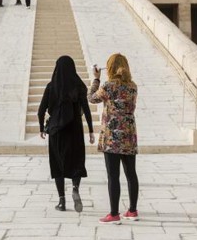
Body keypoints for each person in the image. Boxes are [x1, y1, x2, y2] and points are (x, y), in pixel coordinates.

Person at [39, 56, 95, 213]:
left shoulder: (51, 87)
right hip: (75, 130)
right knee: (76, 162)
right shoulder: (78, 86)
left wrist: (41, 128)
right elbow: (87, 109)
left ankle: (62, 201)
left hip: (56, 132)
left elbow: (41, 110)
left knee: (58, 165)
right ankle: (75, 188)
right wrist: (91, 130)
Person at [88, 53, 139, 225]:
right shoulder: (133, 86)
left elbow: (91, 98)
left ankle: (114, 213)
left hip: (112, 137)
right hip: (129, 135)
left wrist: (96, 79)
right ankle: (132, 210)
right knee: (131, 173)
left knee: (113, 175)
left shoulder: (109, 86)